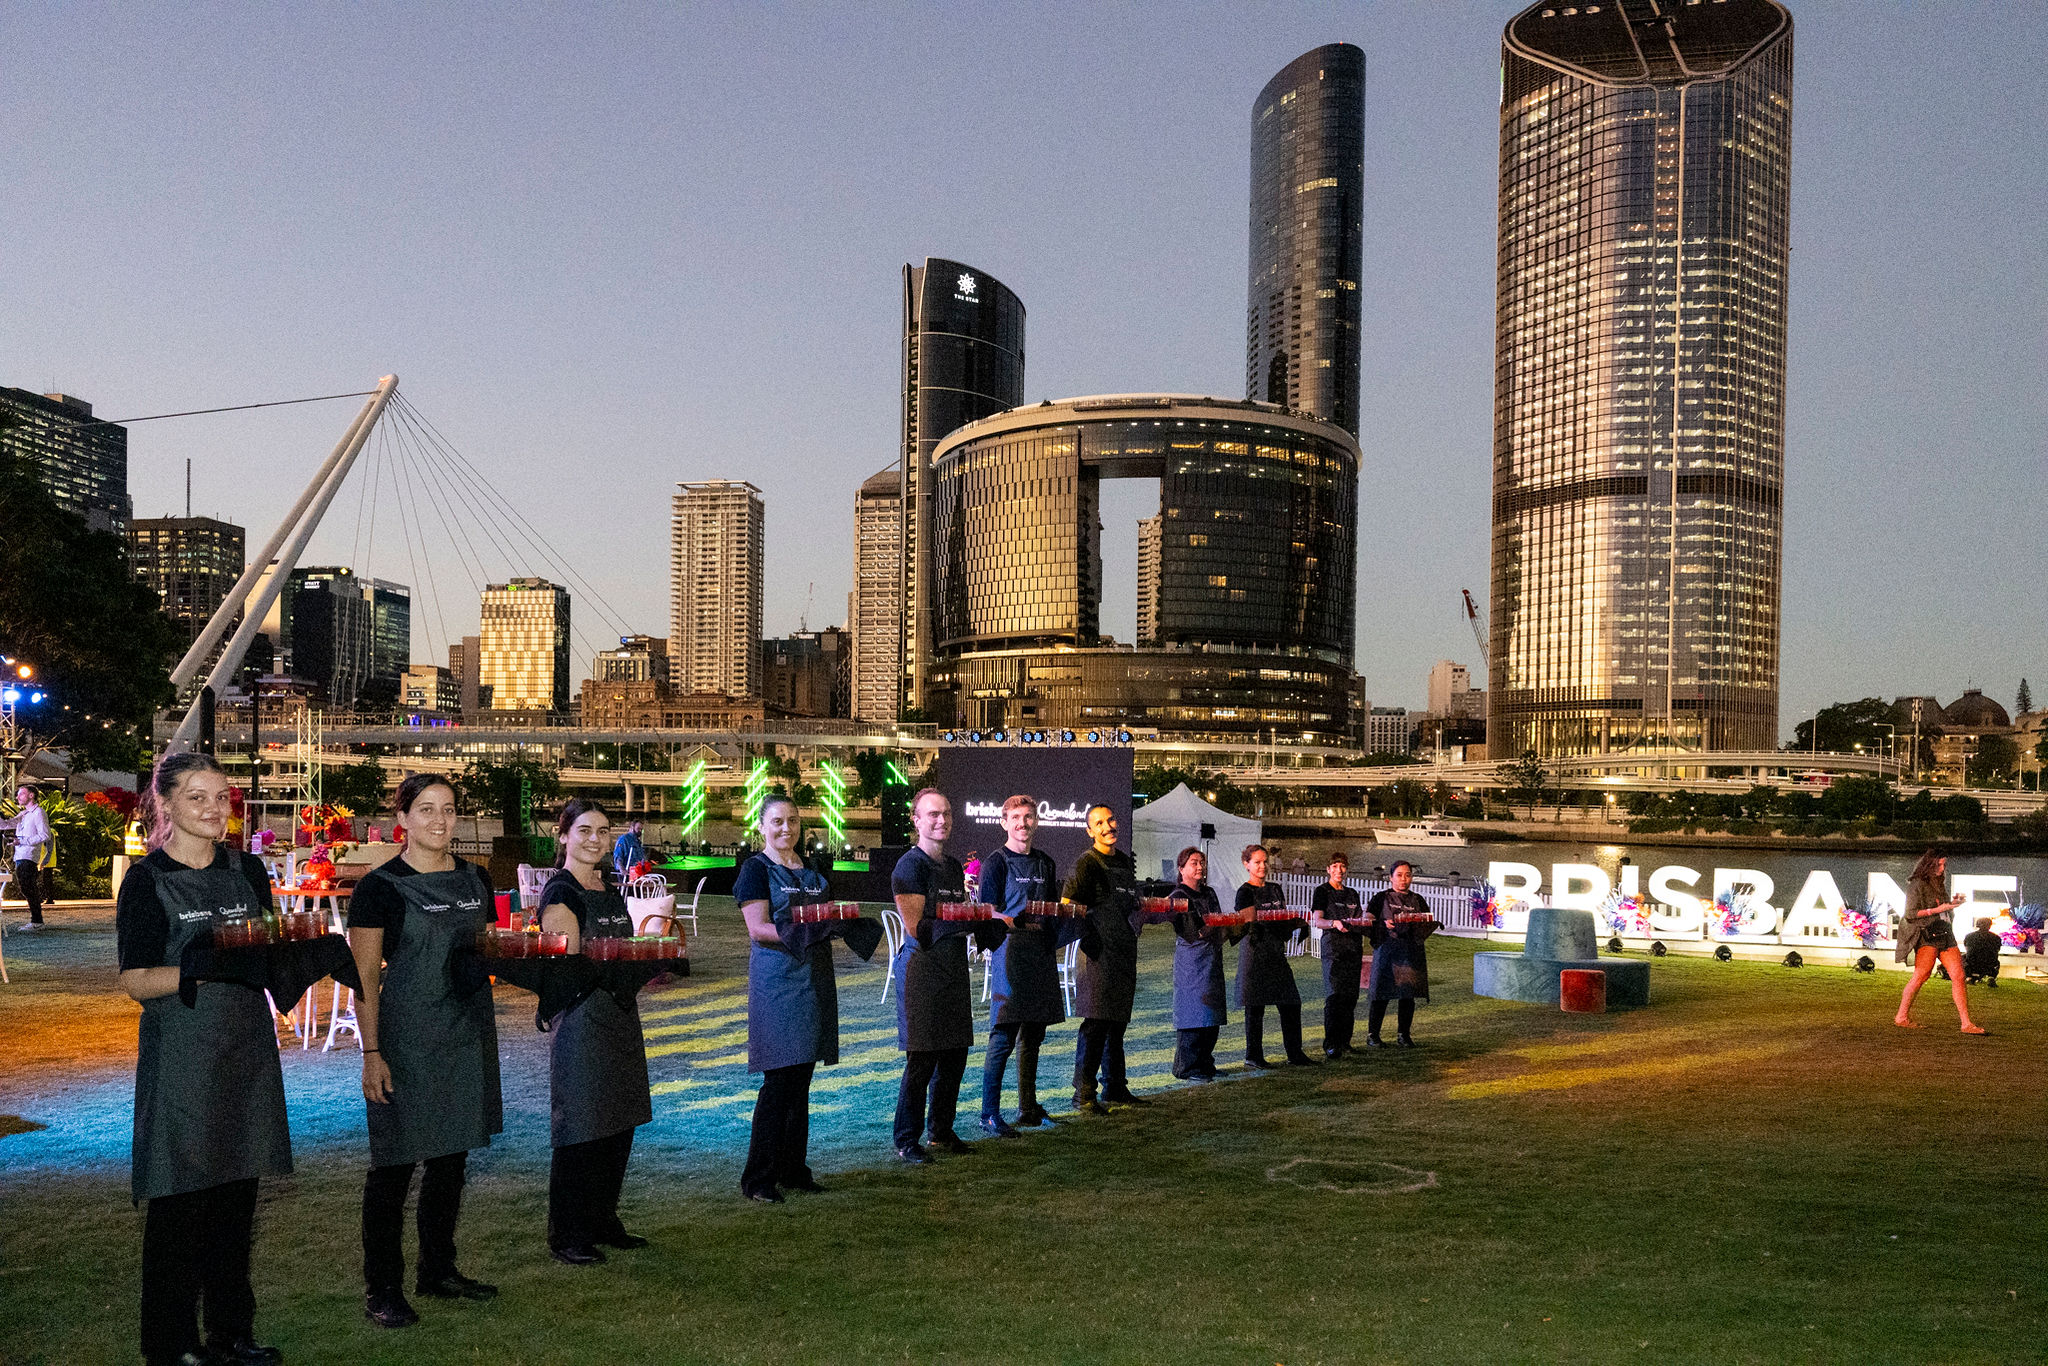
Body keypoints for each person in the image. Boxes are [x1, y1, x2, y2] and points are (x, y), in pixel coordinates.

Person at [116, 752, 288, 1366]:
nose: (215, 809)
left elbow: (265, 947)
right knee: (179, 1204)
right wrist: (197, 966)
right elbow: (135, 980)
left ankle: (231, 1334)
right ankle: (171, 1346)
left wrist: (301, 956)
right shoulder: (148, 880)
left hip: (245, 1051)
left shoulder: (248, 871)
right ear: (165, 805)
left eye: (222, 797)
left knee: (237, 1199)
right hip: (184, 1057)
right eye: (198, 797)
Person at [347, 775, 503, 1329]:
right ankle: (382, 1288)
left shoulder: (476, 879)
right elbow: (364, 974)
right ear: (404, 818)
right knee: (394, 1165)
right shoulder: (380, 887)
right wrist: (372, 1051)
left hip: (464, 1032)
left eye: (450, 810)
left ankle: (438, 1270)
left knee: (451, 1159)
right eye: (427, 809)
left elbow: (482, 951)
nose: (440, 820)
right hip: (406, 1038)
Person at [538, 800, 654, 1264]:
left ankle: (604, 1218)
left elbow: (622, 945)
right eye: (584, 830)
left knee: (618, 1119)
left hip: (620, 1013)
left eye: (603, 831)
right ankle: (568, 1232)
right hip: (582, 1016)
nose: (594, 839)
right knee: (581, 1125)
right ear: (563, 836)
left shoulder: (608, 886)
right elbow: (569, 963)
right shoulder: (561, 892)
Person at [734, 795, 841, 1202]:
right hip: (777, 983)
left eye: (792, 821)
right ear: (761, 826)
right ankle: (758, 1178)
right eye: (777, 821)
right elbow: (758, 928)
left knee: (801, 1081)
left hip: (813, 980)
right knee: (779, 1081)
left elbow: (825, 915)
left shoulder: (811, 870)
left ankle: (794, 1168)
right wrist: (807, 933)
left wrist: (836, 924)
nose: (785, 829)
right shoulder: (755, 870)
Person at [890, 790, 978, 1161]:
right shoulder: (910, 867)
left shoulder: (954, 866)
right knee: (922, 1060)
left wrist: (979, 922)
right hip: (922, 972)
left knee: (955, 1055)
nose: (941, 821)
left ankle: (941, 1131)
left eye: (946, 814)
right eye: (932, 815)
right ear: (916, 820)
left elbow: (956, 913)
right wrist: (961, 920)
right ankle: (906, 1139)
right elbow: (916, 928)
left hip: (953, 970)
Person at [977, 795, 1065, 1136]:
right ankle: (989, 1114)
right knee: (1003, 1035)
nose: (1022, 824)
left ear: (1036, 822)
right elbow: (986, 911)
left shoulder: (1045, 862)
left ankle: (1028, 1108)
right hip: (1010, 952)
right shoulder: (995, 863)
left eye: (1028, 817)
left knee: (1034, 1035)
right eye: (1016, 818)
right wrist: (1013, 919)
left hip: (1040, 952)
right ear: (1004, 822)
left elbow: (1053, 906)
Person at [1066, 803, 1153, 1111]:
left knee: (1117, 1024)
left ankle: (1115, 1087)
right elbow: (1067, 905)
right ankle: (1083, 1093)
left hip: (1123, 953)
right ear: (1090, 831)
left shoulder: (1124, 862)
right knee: (1095, 1025)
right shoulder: (1086, 863)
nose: (1107, 826)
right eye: (1099, 822)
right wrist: (1088, 935)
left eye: (1111, 819)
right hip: (1098, 956)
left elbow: (1132, 905)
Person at [1235, 843, 1316, 1068]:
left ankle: (1294, 1053)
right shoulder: (1244, 892)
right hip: (1256, 954)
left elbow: (1281, 917)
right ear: (1246, 864)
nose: (1262, 866)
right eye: (1257, 862)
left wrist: (1297, 923)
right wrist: (1276, 921)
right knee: (1255, 1008)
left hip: (1276, 955)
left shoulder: (1275, 888)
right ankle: (1253, 1055)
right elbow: (1251, 922)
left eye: (1265, 862)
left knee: (1291, 1002)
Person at [1893, 850, 1986, 1034]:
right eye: (1939, 865)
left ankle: (1966, 1023)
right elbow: (1911, 914)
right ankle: (1901, 1016)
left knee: (1959, 975)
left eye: (1944, 865)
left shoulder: (1939, 883)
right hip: (1929, 934)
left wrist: (1951, 904)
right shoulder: (1917, 885)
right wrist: (1936, 910)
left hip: (1945, 933)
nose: (1942, 869)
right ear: (1928, 865)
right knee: (1922, 975)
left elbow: (1941, 907)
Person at [1166, 847, 1237, 1080]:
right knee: (1192, 1012)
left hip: (1212, 958)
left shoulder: (1209, 893)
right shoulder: (1178, 895)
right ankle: (1186, 1067)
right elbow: (1189, 930)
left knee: (1211, 1013)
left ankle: (1206, 1063)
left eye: (1202, 862)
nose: (1199, 867)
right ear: (1181, 868)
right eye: (1194, 863)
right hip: (1192, 961)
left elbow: (1216, 919)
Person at [1364, 859, 1431, 1048]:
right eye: (1399, 875)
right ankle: (1373, 1035)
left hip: (1410, 951)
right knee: (1381, 993)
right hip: (1387, 949)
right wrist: (1382, 924)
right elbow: (1367, 920)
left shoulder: (1417, 900)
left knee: (1407, 993)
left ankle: (1404, 1035)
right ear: (1391, 877)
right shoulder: (1380, 898)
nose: (1404, 879)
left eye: (1408, 875)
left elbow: (1426, 920)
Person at [1308, 852, 1366, 1058]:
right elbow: (1318, 921)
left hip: (1353, 948)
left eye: (1342, 866)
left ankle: (1345, 1041)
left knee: (1351, 997)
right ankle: (1331, 1044)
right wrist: (1334, 923)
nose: (1338, 871)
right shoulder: (1322, 891)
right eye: (1334, 866)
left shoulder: (1352, 893)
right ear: (1328, 869)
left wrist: (1364, 922)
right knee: (1335, 997)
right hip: (1333, 949)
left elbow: (1358, 917)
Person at [2, 783, 50, 928]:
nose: (17, 797)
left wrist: (23, 840)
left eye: (21, 794)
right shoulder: (24, 814)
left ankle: (37, 920)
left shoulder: (38, 813)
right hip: (20, 855)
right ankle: (36, 919)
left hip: (29, 856)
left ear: (31, 795)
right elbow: (7, 824)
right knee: (26, 887)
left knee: (28, 887)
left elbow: (45, 834)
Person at [1961, 917, 2003, 987]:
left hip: (1972, 964)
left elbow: (1967, 948)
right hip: (1990, 965)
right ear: (1990, 925)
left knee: (1963, 957)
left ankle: (1969, 977)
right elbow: (1997, 950)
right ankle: (1991, 977)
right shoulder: (1996, 938)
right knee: (1996, 962)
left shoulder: (1969, 936)